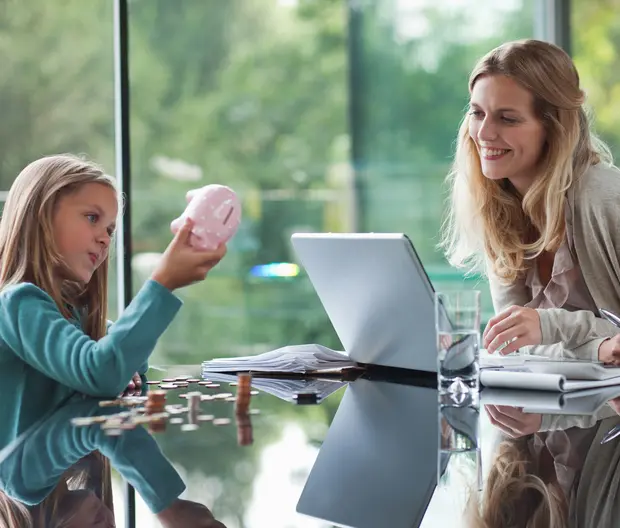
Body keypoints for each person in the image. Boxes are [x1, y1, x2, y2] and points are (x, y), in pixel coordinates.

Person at [0, 153, 226, 438]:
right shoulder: (19, 303)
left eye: (110, 229)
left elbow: (129, 359)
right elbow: (103, 372)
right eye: (92, 218)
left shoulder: (70, 313)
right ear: (42, 215)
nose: (106, 238)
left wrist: (116, 359)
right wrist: (163, 283)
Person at [441, 39, 620, 363]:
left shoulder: (606, 197)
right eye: (477, 113)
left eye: (507, 118)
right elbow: (517, 343)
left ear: (553, 128)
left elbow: (538, 332)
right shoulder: (497, 206)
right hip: (567, 406)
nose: (483, 133)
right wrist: (595, 348)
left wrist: (550, 324)